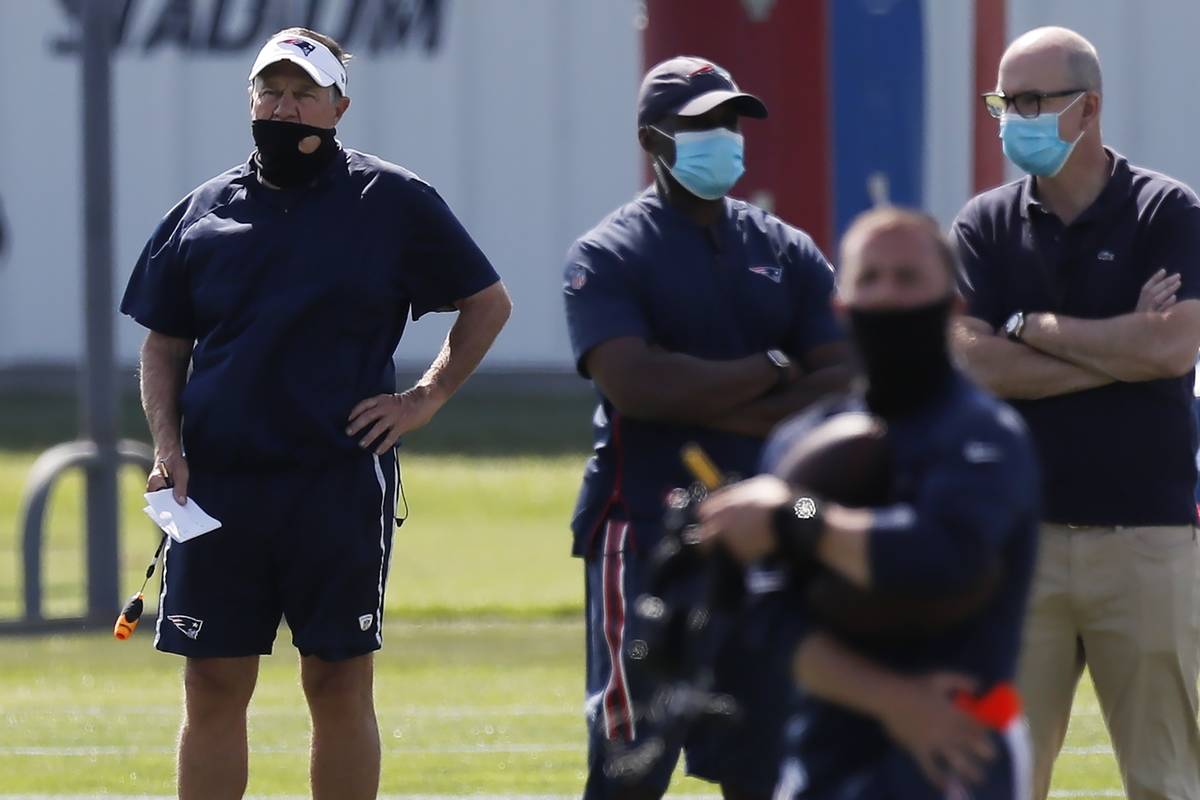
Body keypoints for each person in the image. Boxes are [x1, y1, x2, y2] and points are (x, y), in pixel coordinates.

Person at [119, 28, 511, 800]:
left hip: (336, 486)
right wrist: (168, 445)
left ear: (340, 106)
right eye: (271, 89)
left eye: (303, 93)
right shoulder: (204, 212)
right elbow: (164, 345)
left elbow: (486, 304)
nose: (284, 106)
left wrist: (424, 398)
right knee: (213, 686)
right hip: (220, 488)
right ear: (251, 100)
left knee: (336, 683)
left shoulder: (392, 201)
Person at [562, 55, 854, 799]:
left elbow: (847, 375)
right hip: (648, 531)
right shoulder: (609, 253)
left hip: (770, 530)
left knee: (769, 760)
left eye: (728, 121)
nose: (720, 137)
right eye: (698, 125)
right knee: (634, 754)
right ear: (652, 139)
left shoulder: (784, 249)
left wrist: (712, 393)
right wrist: (774, 366)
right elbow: (636, 385)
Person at [698, 207, 1039, 799]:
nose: (888, 295)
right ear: (842, 306)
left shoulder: (985, 435)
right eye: (870, 278)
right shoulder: (801, 442)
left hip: (956, 748)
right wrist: (895, 701)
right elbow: (771, 618)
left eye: (908, 278)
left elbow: (942, 558)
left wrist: (796, 518)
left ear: (951, 306)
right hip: (823, 756)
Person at [951, 26, 1200, 800]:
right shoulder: (984, 224)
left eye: (1031, 100)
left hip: (1148, 540)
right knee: (999, 780)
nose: (1011, 117)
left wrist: (1030, 327)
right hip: (1019, 544)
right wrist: (1116, 351)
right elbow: (970, 362)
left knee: (1167, 780)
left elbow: (1171, 353)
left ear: (1088, 108)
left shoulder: (1168, 210)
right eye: (1003, 100)